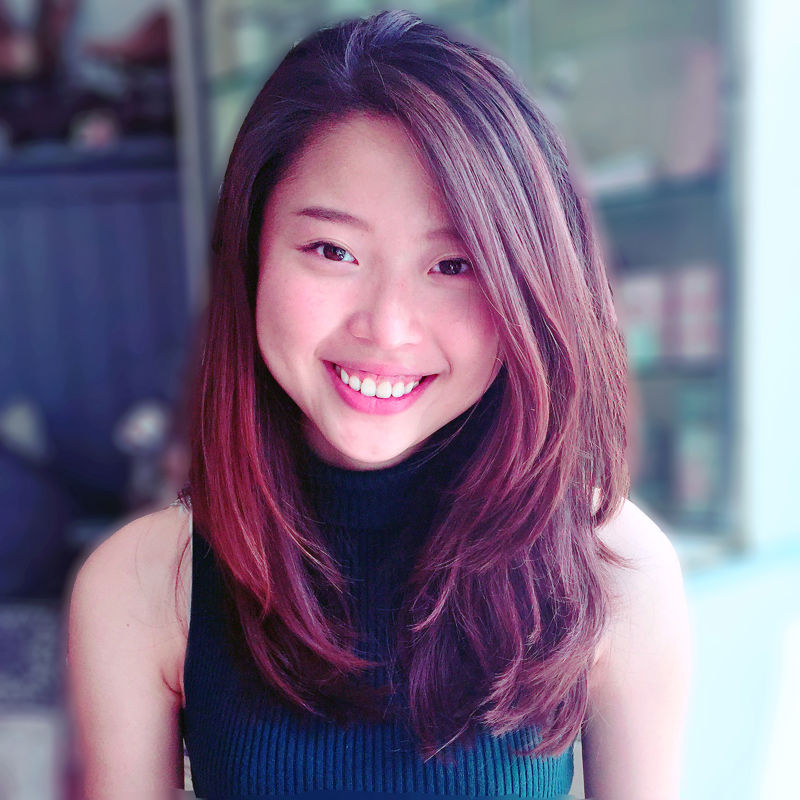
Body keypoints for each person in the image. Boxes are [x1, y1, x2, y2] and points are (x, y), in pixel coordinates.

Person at [67, 10, 690, 800]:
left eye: (454, 264)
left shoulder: (611, 568)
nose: (386, 327)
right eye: (334, 251)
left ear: (529, 286)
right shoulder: (144, 582)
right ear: (252, 255)